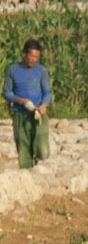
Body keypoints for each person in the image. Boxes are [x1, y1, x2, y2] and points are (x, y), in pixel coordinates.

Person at [3, 38, 52, 169]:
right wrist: (20, 100)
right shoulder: (12, 70)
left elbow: (47, 92)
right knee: (24, 151)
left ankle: (42, 177)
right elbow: (6, 93)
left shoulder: (41, 71)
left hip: (38, 114)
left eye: (37, 57)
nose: (34, 59)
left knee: (42, 149)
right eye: (32, 56)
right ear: (24, 53)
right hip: (20, 115)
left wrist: (44, 105)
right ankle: (27, 179)